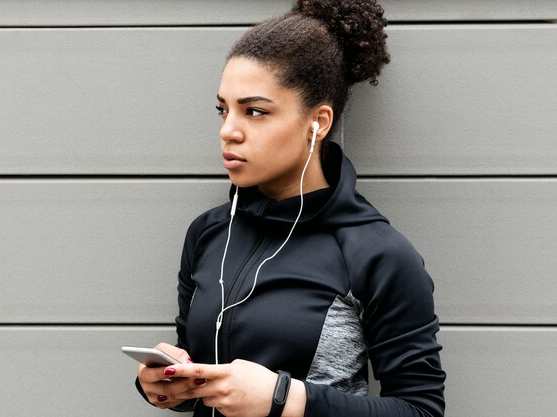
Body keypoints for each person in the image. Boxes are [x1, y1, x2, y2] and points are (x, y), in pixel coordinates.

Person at [134, 0, 446, 416]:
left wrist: (286, 399)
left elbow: (421, 409)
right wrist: (165, 384)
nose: (229, 131)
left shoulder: (377, 253)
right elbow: (199, 376)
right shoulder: (209, 233)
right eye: (223, 110)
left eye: (255, 111)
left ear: (318, 121)